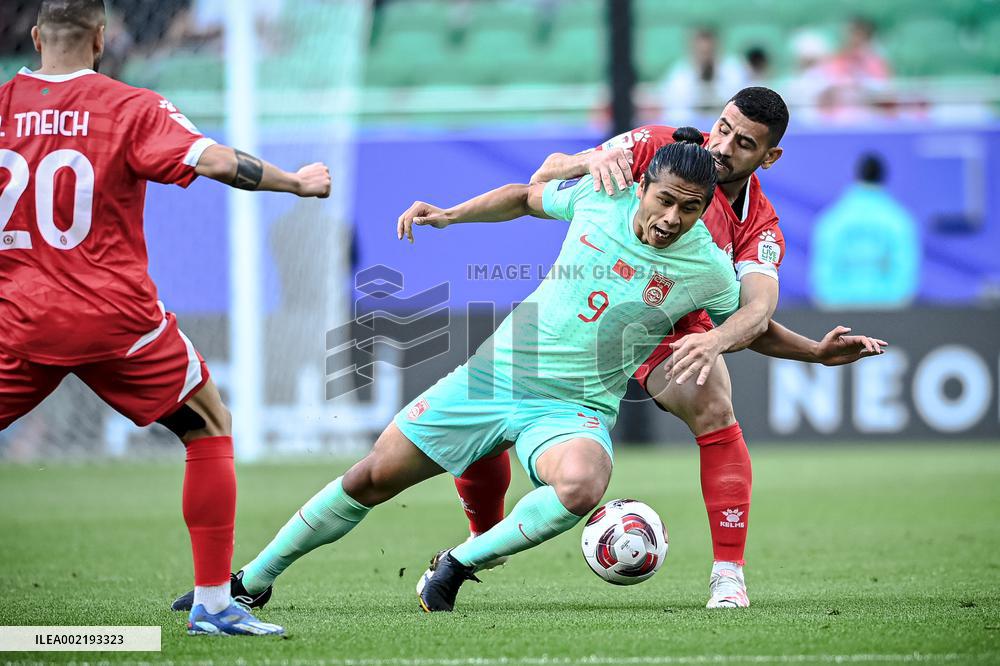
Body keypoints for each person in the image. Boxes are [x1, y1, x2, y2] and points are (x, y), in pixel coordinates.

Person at [445, 87, 887, 609]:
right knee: (492, 407)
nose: (723, 146)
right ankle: (484, 535)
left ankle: (728, 574)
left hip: (674, 325)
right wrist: (589, 158)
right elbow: (546, 173)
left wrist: (759, 346)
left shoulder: (759, 226)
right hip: (598, 306)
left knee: (713, 402)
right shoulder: (659, 146)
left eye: (744, 143)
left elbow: (755, 311)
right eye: (722, 127)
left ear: (770, 157)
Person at [0, 0, 331, 636]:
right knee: (208, 424)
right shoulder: (129, 106)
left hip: (20, 320)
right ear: (101, 38)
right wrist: (295, 182)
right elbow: (214, 162)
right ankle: (212, 605)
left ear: (37, 36)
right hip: (113, 322)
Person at [811, 153, 920, 309]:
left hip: (839, 315)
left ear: (856, 176)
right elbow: (904, 280)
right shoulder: (900, 220)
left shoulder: (832, 219)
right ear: (883, 177)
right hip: (889, 315)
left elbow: (823, 279)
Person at [659, 28, 748, 124]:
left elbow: (740, 101)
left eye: (709, 51)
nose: (705, 56)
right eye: (701, 52)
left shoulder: (733, 69)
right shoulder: (679, 73)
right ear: (692, 49)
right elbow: (673, 109)